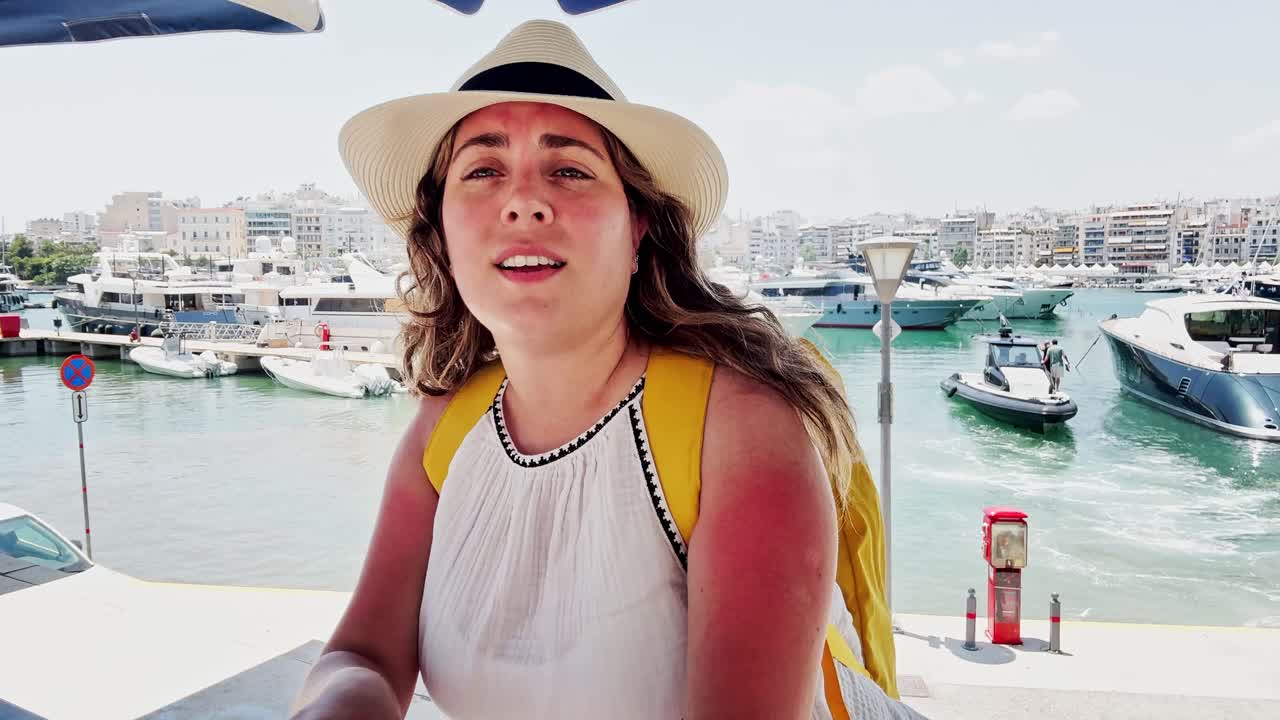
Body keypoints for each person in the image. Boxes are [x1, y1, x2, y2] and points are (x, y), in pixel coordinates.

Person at [291, 20, 917, 720]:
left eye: (569, 169)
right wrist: (336, 706)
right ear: (441, 230)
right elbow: (364, 655)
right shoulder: (448, 423)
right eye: (483, 170)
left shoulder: (738, 429)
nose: (523, 200)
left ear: (638, 228)